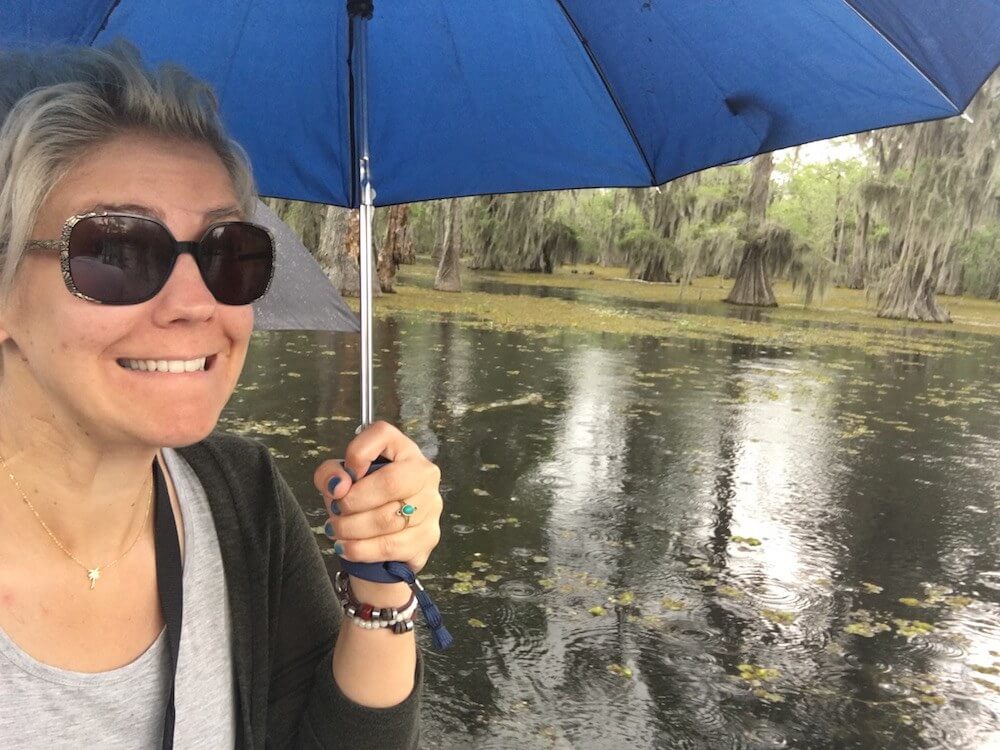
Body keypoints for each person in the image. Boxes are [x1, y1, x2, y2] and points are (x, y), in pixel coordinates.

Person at [0, 41, 442, 748]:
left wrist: (381, 592)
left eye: (225, 252)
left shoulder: (241, 498)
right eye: (116, 251)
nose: (195, 304)